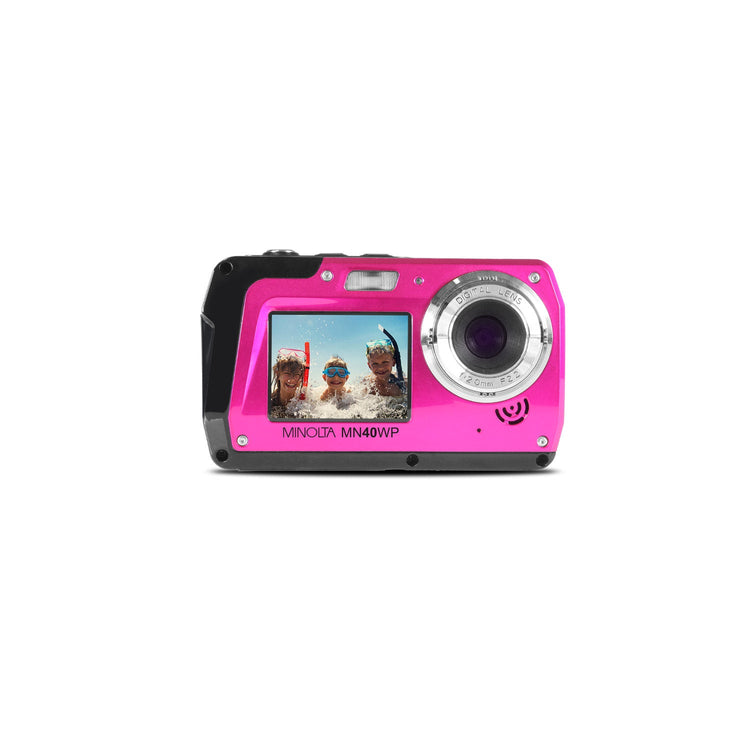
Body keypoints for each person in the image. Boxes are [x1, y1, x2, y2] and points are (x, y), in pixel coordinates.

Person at [270, 348, 306, 416]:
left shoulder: (305, 402)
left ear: (301, 377)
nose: (292, 379)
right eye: (287, 373)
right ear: (278, 374)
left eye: (296, 374)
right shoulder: (267, 403)